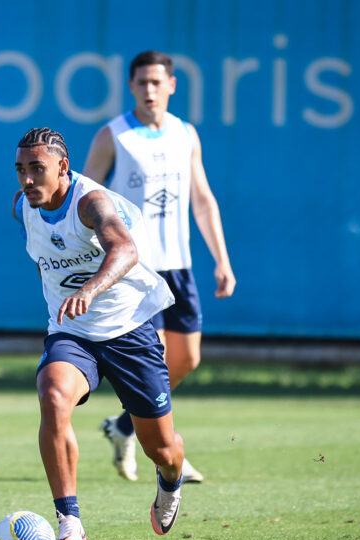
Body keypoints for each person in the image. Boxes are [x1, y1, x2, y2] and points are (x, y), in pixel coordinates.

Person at [12, 126, 187, 540]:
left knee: (162, 449)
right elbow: (44, 260)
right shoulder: (23, 208)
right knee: (53, 398)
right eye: (21, 170)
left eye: (38, 169)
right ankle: (69, 519)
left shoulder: (90, 202)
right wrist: (62, 307)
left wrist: (88, 290)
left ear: (63, 168)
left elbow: (125, 250)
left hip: (128, 330)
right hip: (72, 333)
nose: (28, 179)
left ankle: (170, 482)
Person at [83, 50, 237, 484]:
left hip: (180, 267)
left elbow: (202, 200)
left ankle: (124, 426)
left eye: (157, 82)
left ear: (171, 86)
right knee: (153, 362)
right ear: (131, 86)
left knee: (186, 359)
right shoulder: (112, 136)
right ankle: (170, 451)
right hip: (134, 270)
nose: (150, 90)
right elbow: (85, 198)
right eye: (142, 83)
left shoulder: (185, 133)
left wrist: (221, 260)